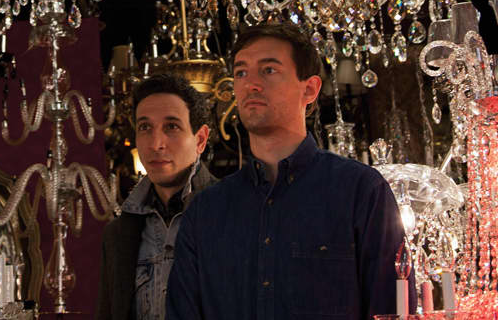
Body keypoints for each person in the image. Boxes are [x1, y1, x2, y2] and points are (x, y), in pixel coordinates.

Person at [166, 23, 411, 320]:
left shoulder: (361, 192)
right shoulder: (205, 212)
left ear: (310, 89)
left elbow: (394, 309)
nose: (250, 84)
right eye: (241, 72)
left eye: (268, 70)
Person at [97, 73, 217, 320]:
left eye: (171, 127)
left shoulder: (234, 211)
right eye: (145, 128)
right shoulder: (117, 234)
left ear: (200, 140)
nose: (156, 144)